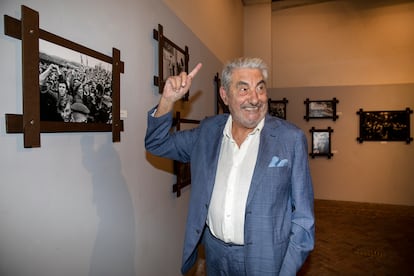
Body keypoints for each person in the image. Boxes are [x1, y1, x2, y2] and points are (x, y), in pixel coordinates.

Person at [145, 57, 315, 275]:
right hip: (214, 254)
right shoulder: (207, 132)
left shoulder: (290, 139)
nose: (254, 98)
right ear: (225, 95)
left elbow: (304, 221)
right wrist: (167, 101)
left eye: (260, 88)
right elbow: (156, 143)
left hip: (266, 259)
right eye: (243, 89)